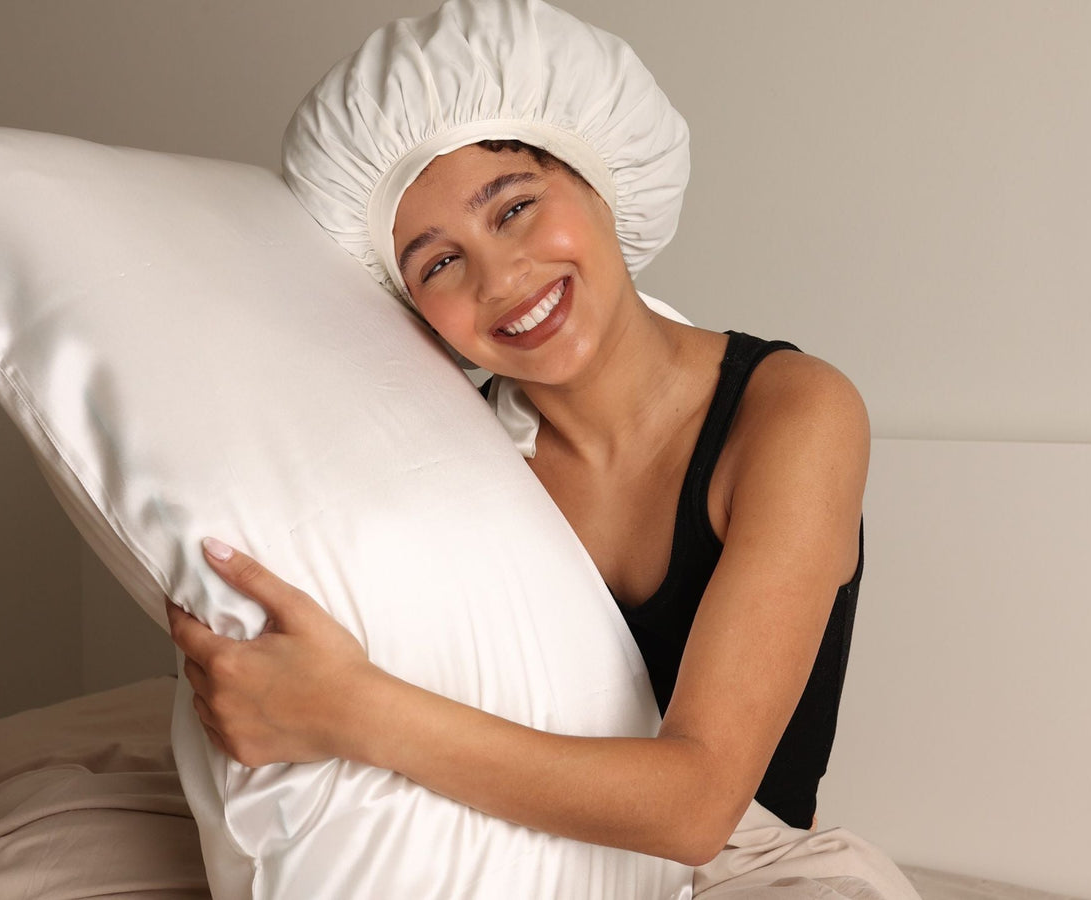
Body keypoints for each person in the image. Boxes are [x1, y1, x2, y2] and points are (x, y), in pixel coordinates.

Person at [167, 1, 919, 895]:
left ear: (599, 181)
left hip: (747, 865)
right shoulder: (454, 457)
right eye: (438, 263)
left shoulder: (795, 413)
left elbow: (697, 807)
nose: (499, 277)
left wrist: (349, 710)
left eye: (515, 207)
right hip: (514, 849)